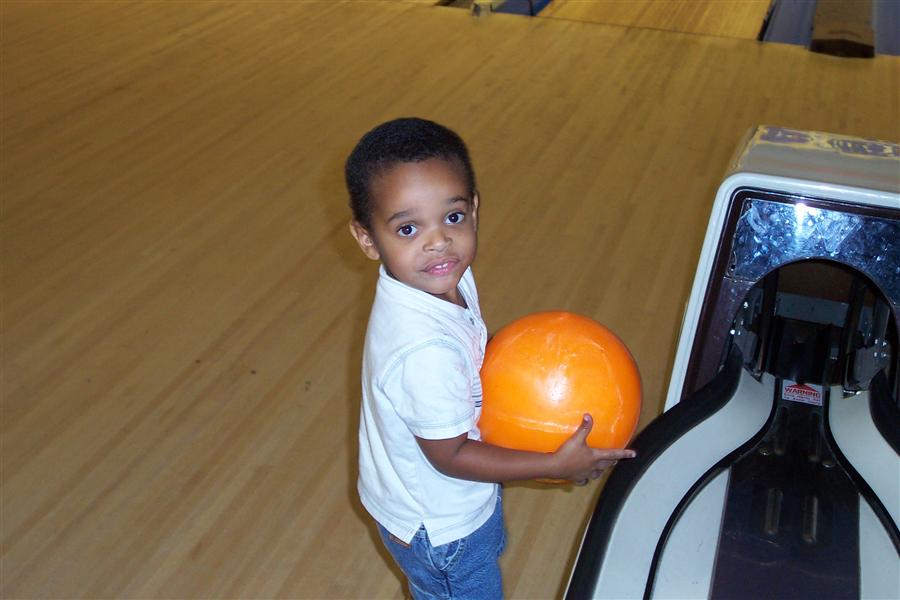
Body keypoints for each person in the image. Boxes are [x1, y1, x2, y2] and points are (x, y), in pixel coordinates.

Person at [346, 117, 635, 599]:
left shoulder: (440, 276)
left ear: (474, 209)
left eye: (453, 217)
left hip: (444, 504)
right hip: (440, 528)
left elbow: (468, 346)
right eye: (408, 228)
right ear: (368, 239)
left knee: (478, 555)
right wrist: (552, 464)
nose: (438, 241)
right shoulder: (423, 351)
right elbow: (453, 455)